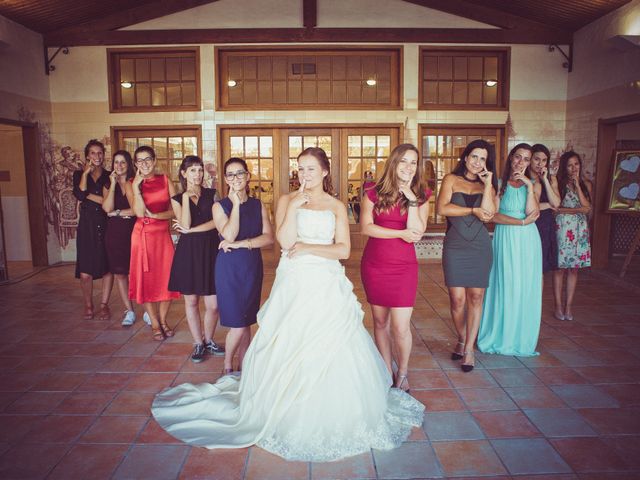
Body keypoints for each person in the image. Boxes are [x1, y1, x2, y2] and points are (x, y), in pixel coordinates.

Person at [151, 147, 424, 462]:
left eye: (311, 169)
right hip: (294, 280)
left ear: (325, 171)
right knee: (289, 338)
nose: (304, 175)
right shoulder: (286, 200)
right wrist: (294, 206)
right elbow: (284, 241)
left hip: (326, 281)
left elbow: (343, 251)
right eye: (300, 169)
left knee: (331, 340)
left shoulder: (336, 206)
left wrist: (309, 247)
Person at [360, 144, 431, 392]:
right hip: (375, 264)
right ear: (393, 163)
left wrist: (412, 201)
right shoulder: (373, 191)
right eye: (403, 162)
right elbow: (366, 228)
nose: (409, 167)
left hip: (404, 268)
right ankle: (384, 369)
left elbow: (417, 233)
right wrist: (401, 232)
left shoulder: (422, 194)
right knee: (380, 322)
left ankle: (402, 372)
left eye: (413, 162)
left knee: (401, 327)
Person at [437, 140, 497, 372]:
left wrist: (489, 183)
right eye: (474, 156)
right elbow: (442, 209)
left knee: (476, 297)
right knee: (457, 300)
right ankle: (462, 338)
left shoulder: (488, 186)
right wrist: (472, 209)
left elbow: (489, 215)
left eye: (482, 158)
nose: (477, 162)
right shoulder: (451, 180)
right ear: (465, 157)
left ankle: (469, 348)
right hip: (455, 245)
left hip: (480, 247)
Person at [478, 143, 542, 357]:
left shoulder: (534, 185)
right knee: (505, 282)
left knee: (524, 286)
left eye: (526, 158)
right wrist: (521, 223)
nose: (521, 162)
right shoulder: (498, 183)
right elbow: (493, 216)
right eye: (517, 157)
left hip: (528, 242)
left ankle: (520, 338)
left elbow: (531, 213)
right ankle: (500, 336)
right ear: (511, 159)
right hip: (506, 238)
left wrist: (529, 187)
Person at [213, 158, 274, 375]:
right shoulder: (219, 206)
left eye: (240, 173)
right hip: (229, 269)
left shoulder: (258, 205)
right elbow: (228, 234)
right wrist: (236, 204)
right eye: (230, 174)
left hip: (251, 267)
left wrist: (240, 244)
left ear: (248, 176)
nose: (236, 178)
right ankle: (228, 365)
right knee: (238, 324)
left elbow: (268, 238)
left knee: (247, 319)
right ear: (226, 179)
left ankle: (245, 366)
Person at [169, 156, 225, 362]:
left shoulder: (212, 194)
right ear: (183, 174)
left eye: (200, 170)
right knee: (191, 301)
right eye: (192, 170)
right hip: (189, 252)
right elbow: (184, 224)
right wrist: (185, 197)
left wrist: (191, 230)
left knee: (214, 305)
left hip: (210, 249)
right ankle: (198, 343)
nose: (198, 174)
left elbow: (217, 223)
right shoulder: (176, 199)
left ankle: (209, 339)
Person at [128, 146, 180, 341]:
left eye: (148, 159)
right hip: (142, 236)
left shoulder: (165, 180)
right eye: (140, 161)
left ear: (154, 160)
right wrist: (136, 188)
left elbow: (175, 210)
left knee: (167, 278)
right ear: (135, 164)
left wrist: (158, 215)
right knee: (147, 281)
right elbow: (139, 213)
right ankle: (155, 323)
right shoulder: (132, 183)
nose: (144, 164)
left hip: (161, 235)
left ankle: (164, 320)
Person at [72, 139, 113, 320]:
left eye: (100, 153)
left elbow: (108, 205)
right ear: (87, 156)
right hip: (86, 226)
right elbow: (80, 194)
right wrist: (85, 174)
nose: (97, 156)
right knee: (85, 273)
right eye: (93, 153)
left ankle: (104, 305)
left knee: (107, 268)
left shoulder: (109, 176)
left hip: (106, 224)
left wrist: (90, 195)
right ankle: (88, 305)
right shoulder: (79, 174)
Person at [553, 151, 592, 321]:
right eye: (569, 165)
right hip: (562, 229)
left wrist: (577, 186)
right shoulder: (559, 184)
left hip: (580, 231)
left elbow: (587, 207)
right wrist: (577, 210)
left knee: (574, 270)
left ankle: (569, 307)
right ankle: (558, 307)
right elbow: (556, 209)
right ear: (564, 167)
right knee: (560, 269)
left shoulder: (586, 185)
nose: (573, 168)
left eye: (576, 164)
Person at [102, 150, 137, 326]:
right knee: (120, 273)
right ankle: (129, 310)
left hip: (134, 232)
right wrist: (114, 184)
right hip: (114, 235)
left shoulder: (134, 182)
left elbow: (136, 210)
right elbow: (106, 208)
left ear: (128, 164)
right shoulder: (108, 185)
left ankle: (147, 310)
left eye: (123, 162)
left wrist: (117, 213)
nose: (119, 166)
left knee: (136, 272)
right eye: (116, 162)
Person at [530, 144, 561, 277]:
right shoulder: (524, 179)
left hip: (545, 225)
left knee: (540, 270)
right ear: (530, 159)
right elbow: (527, 207)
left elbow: (556, 203)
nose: (540, 163)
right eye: (537, 159)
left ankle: (537, 298)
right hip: (529, 223)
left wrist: (545, 180)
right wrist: (548, 205)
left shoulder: (551, 179)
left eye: (544, 160)